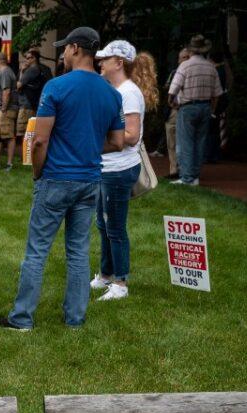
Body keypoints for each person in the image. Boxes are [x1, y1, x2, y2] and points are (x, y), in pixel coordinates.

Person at [0, 27, 124, 332]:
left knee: (37, 251)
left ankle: (22, 318)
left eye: (65, 48)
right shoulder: (111, 93)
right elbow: (118, 142)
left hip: (56, 178)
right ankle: (75, 319)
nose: (63, 53)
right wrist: (88, 145)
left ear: (76, 48)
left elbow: (40, 141)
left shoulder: (56, 87)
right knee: (79, 252)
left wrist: (38, 172)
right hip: (90, 180)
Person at [90, 41, 157, 302]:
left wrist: (95, 144)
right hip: (108, 168)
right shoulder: (116, 89)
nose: (100, 63)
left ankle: (120, 281)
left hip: (119, 169)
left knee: (114, 227)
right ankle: (106, 274)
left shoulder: (128, 92)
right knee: (103, 223)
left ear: (119, 63)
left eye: (105, 59)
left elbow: (130, 136)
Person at [168, 35, 222, 186]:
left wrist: (171, 102)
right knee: (200, 143)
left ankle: (186, 178)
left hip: (188, 107)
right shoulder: (211, 66)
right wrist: (212, 109)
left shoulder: (185, 66)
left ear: (190, 50)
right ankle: (195, 177)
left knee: (185, 143)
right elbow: (217, 94)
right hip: (205, 107)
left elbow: (173, 89)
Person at [163, 49, 191, 178]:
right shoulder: (174, 72)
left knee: (186, 141)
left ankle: (185, 170)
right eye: (182, 57)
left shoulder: (194, 72)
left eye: (187, 57)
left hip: (188, 110)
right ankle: (174, 170)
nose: (184, 60)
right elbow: (167, 88)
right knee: (171, 141)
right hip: (174, 110)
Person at [0, 51, 19, 170]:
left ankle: (9, 164)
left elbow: (6, 92)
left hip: (5, 110)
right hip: (0, 110)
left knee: (9, 136)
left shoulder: (5, 72)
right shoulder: (4, 72)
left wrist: (3, 109)